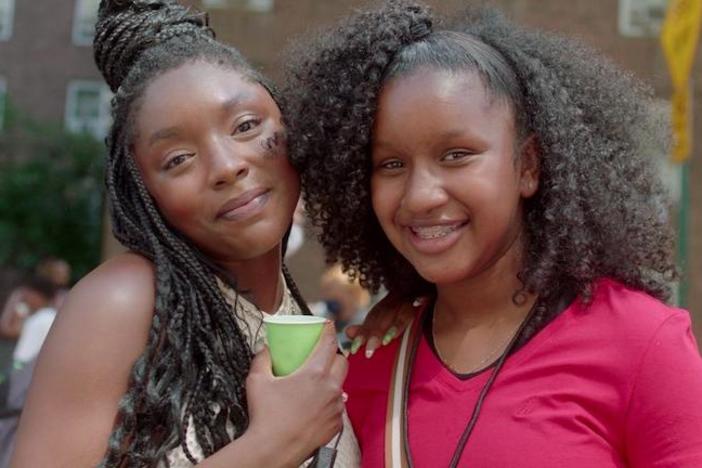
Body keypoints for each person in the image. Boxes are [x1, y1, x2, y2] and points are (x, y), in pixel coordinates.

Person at [282, 1, 702, 466]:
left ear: (528, 166)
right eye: (391, 165)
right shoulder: (369, 365)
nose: (420, 196)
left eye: (456, 154)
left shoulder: (641, 343)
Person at [11, 1, 361, 466]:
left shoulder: (285, 309)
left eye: (246, 125)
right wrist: (272, 445)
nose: (227, 166)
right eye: (177, 159)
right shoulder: (124, 301)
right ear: (143, 191)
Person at [310, 265, 371, 350]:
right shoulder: (324, 314)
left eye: (330, 290)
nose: (327, 297)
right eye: (325, 291)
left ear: (351, 293)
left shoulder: (365, 321)